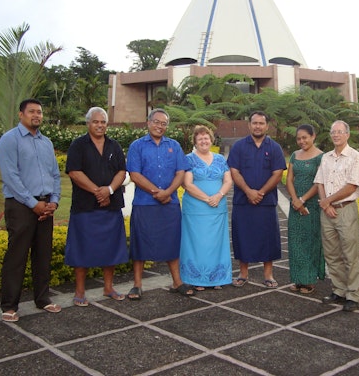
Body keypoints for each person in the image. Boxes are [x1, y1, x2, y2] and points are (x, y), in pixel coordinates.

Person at [0, 98, 62, 322]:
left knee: (43, 254)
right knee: (17, 255)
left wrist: (53, 201)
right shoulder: (9, 140)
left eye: (40, 112)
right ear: (21, 114)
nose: (37, 115)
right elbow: (11, 177)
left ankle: (42, 299)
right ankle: (10, 305)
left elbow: (55, 174)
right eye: (32, 111)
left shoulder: (46, 143)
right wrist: (33, 204)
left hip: (45, 205)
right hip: (21, 205)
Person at [126, 108, 194, 299]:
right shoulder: (137, 146)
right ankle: (137, 285)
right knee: (140, 244)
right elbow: (135, 175)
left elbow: (181, 172)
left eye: (163, 123)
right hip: (144, 203)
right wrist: (157, 192)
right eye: (156, 122)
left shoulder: (174, 145)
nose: (160, 126)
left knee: (172, 242)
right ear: (148, 123)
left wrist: (168, 192)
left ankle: (177, 282)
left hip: (169, 203)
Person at [64, 107, 129, 306]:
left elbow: (121, 171)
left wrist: (108, 190)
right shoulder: (78, 145)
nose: (100, 125)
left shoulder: (114, 145)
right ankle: (80, 291)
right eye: (96, 122)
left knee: (111, 249)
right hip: (85, 207)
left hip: (110, 206)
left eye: (103, 122)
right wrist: (97, 191)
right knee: (81, 249)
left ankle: (108, 288)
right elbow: (74, 172)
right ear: (88, 123)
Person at [227, 111, 286, 288]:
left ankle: (268, 274)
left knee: (268, 238)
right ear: (249, 125)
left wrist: (260, 192)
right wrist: (248, 191)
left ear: (267, 126)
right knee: (242, 236)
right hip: (242, 201)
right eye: (254, 123)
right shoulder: (239, 146)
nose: (258, 126)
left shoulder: (274, 147)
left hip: (266, 201)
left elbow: (278, 173)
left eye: (261, 123)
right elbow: (234, 171)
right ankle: (243, 273)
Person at [314, 120, 359, 311]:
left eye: (340, 132)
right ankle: (339, 289)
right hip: (327, 211)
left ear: (347, 134)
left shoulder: (356, 157)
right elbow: (320, 182)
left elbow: (352, 185)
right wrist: (325, 204)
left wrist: (328, 201)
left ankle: (353, 294)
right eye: (333, 132)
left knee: (350, 254)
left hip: (345, 209)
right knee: (332, 253)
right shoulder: (326, 157)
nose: (336, 135)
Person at [180, 125, 233, 291]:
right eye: (200, 138)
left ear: (211, 140)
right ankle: (195, 279)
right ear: (195, 141)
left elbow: (228, 180)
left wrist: (218, 196)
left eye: (206, 137)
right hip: (196, 209)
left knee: (216, 243)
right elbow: (187, 184)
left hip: (218, 208)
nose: (204, 140)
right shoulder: (188, 159)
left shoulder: (220, 159)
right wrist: (207, 198)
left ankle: (217, 277)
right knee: (196, 243)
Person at [286, 124, 325, 294]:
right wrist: (295, 200)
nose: (302, 141)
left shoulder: (321, 157)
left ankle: (309, 280)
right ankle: (297, 278)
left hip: (312, 205)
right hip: (295, 205)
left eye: (305, 137)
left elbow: (319, 183)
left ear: (313, 136)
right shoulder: (295, 155)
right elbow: (289, 179)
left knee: (310, 242)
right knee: (295, 242)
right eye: (299, 138)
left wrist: (303, 200)